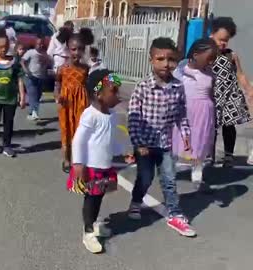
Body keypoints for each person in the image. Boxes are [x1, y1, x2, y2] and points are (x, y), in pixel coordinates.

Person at [128, 37, 196, 237]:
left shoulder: (178, 87)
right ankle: (135, 202)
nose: (166, 64)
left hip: (165, 144)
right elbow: (133, 117)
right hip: (144, 145)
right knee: (146, 177)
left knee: (169, 178)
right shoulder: (143, 86)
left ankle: (175, 214)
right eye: (160, 59)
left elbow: (181, 114)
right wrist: (138, 142)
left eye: (171, 59)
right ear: (151, 60)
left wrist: (186, 135)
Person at [68, 69, 128, 253]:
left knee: (99, 196)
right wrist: (78, 163)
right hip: (91, 166)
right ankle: (87, 232)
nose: (117, 95)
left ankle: (93, 224)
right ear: (98, 93)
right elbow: (78, 139)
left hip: (105, 165)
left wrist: (121, 153)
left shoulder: (111, 114)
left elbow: (112, 138)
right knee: (91, 199)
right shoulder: (90, 114)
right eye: (113, 91)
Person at [172, 38, 218, 190]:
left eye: (213, 59)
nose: (211, 62)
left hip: (204, 113)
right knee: (179, 139)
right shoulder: (181, 70)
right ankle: (169, 168)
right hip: (186, 111)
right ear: (196, 54)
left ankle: (197, 172)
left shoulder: (209, 73)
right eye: (209, 58)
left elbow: (211, 93)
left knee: (200, 142)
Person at [209, 17, 253, 167]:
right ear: (212, 34)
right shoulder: (204, 53)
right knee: (211, 126)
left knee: (229, 125)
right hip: (212, 95)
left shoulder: (231, 55)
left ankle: (228, 155)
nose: (223, 43)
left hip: (229, 95)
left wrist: (249, 90)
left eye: (226, 40)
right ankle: (209, 155)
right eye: (220, 39)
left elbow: (240, 74)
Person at [56, 34, 90, 173]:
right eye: (74, 49)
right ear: (68, 50)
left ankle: (79, 159)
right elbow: (57, 84)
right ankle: (66, 159)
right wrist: (58, 96)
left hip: (82, 102)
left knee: (80, 131)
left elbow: (92, 85)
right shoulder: (62, 68)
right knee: (66, 130)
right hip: (66, 103)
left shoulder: (86, 68)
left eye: (80, 49)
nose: (77, 52)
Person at [21, 35, 51, 121]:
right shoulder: (31, 52)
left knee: (38, 95)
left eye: (42, 44)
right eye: (38, 44)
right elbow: (23, 61)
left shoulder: (44, 54)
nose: (40, 46)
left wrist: (46, 71)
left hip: (41, 77)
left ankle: (32, 112)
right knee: (32, 94)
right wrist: (27, 71)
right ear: (35, 44)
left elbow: (47, 63)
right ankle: (34, 112)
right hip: (31, 77)